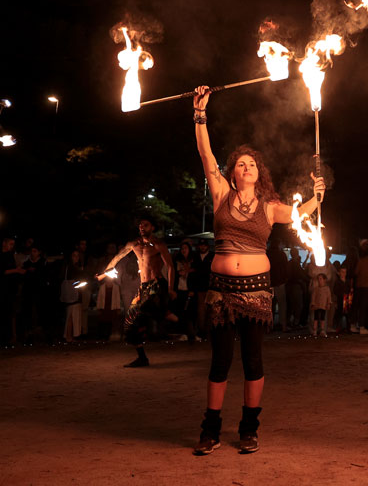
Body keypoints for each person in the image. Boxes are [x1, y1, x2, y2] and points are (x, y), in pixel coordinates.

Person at [190, 85, 325, 456]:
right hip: (221, 288)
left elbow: (301, 214)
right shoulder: (220, 195)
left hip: (256, 291)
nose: (246, 166)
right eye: (240, 163)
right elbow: (205, 152)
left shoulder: (268, 206)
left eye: (251, 163)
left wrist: (317, 195)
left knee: (252, 360)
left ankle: (249, 427)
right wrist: (200, 114)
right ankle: (211, 428)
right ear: (232, 173)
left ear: (257, 173)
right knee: (220, 361)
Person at [99, 215, 176, 367]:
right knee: (129, 323)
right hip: (144, 288)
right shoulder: (133, 244)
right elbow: (118, 256)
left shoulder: (158, 244)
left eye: (145, 225)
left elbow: (171, 267)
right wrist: (104, 273)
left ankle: (164, 313)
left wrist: (171, 288)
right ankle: (142, 357)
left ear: (152, 227)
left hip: (156, 285)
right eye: (140, 225)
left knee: (144, 310)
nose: (142, 227)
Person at [310, 273, 332, 337]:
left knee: (323, 318)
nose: (319, 280)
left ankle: (322, 330)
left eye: (321, 279)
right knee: (316, 318)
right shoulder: (316, 289)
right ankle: (315, 330)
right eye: (318, 279)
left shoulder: (327, 289)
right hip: (317, 306)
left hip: (323, 305)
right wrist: (313, 303)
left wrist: (328, 303)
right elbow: (313, 296)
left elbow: (329, 297)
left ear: (324, 280)